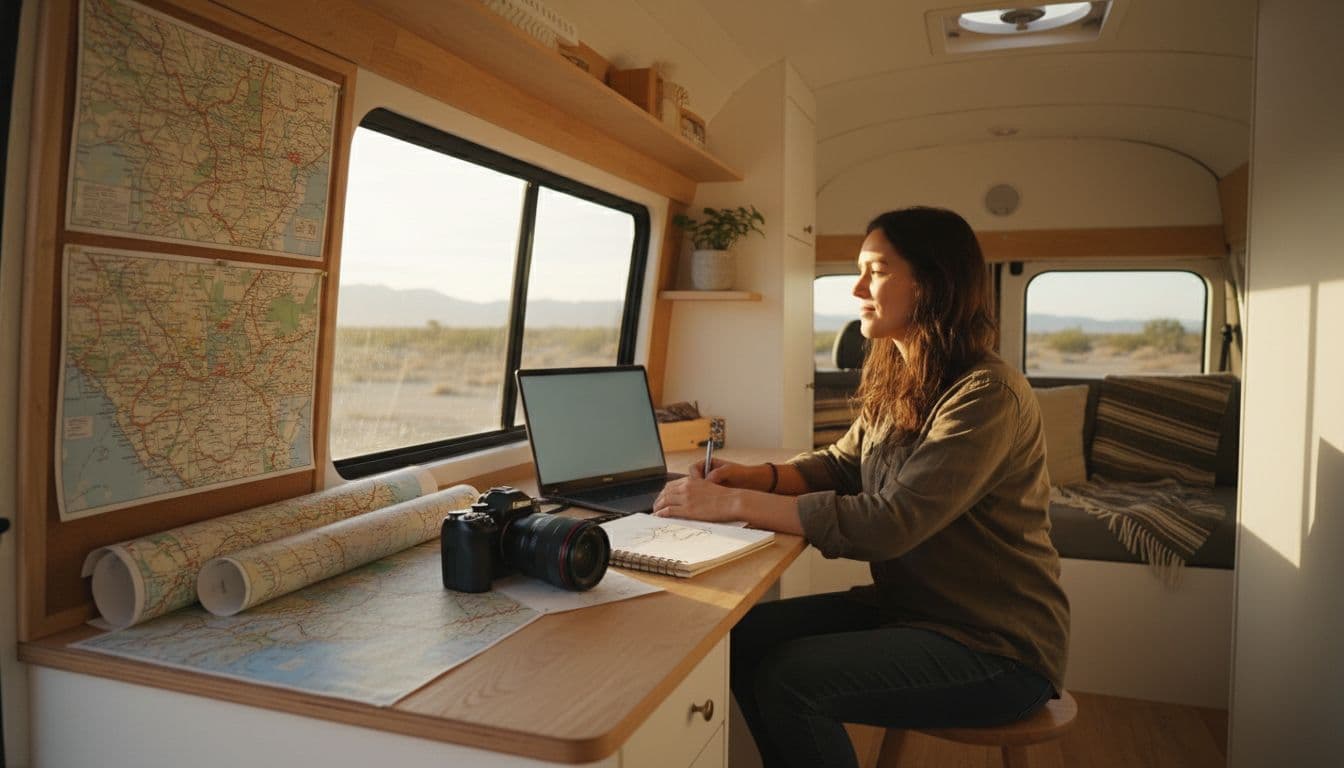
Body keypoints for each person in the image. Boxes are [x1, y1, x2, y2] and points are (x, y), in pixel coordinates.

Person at [652, 207, 1070, 768]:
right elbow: (844, 465)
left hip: (995, 647)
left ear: (932, 281)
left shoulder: (986, 395)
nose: (856, 289)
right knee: (739, 636)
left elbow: (889, 523)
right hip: (911, 610)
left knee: (790, 679)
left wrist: (728, 503)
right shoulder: (904, 375)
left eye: (875, 270)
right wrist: (754, 477)